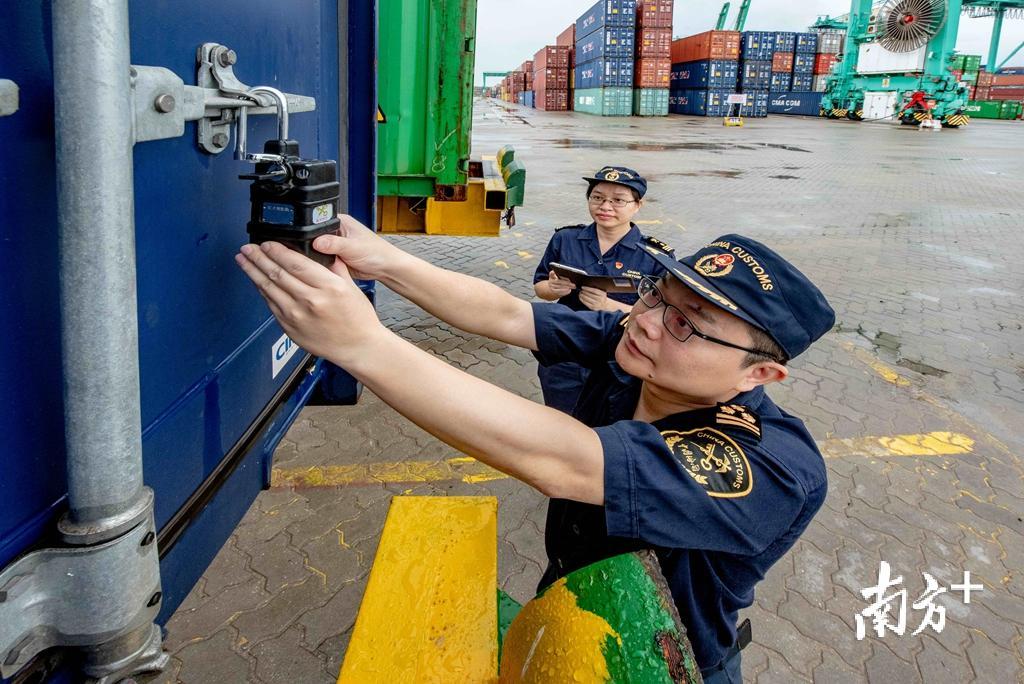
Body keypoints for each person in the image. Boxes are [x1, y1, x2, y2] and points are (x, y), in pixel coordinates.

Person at [235, 218, 835, 683]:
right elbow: (507, 313)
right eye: (657, 295)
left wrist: (363, 345)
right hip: (568, 604)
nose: (650, 322)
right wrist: (385, 261)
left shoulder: (768, 464)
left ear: (760, 375)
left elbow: (565, 461)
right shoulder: (637, 351)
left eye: (688, 324)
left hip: (661, 661)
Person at [533, 166, 673, 413]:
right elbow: (540, 287)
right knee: (560, 419)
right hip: (566, 352)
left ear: (637, 205)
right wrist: (554, 289)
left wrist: (610, 306)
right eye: (597, 197)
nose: (605, 206)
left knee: (607, 427)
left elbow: (665, 318)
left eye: (618, 200)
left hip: (620, 359)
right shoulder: (565, 239)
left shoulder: (656, 256)